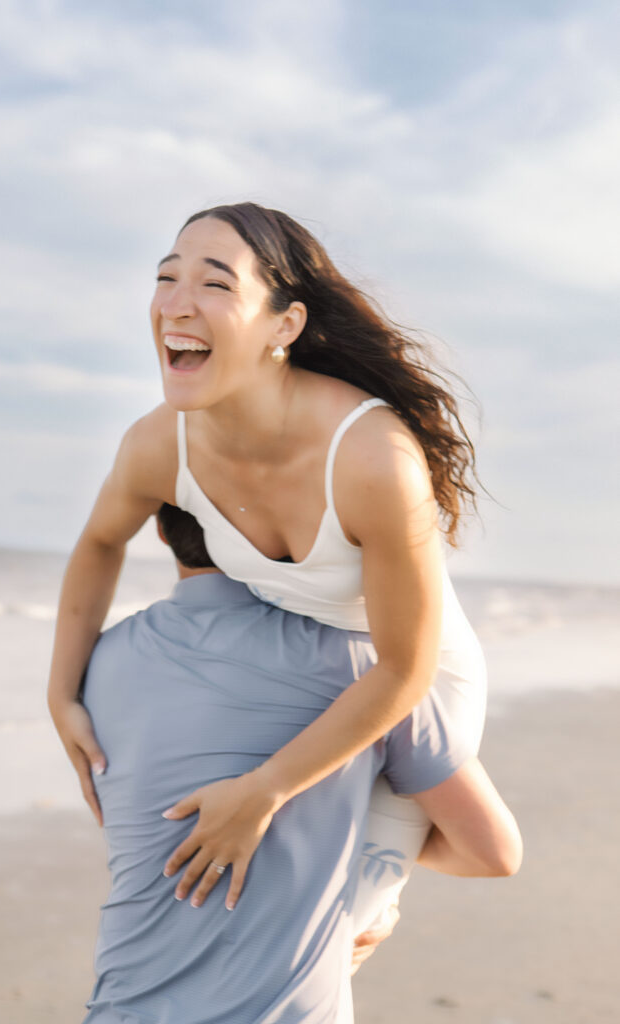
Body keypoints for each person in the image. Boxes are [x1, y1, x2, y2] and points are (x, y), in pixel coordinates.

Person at [49, 200, 519, 927]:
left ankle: (377, 886)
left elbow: (404, 669)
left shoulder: (372, 458)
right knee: (228, 893)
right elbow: (99, 544)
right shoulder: (157, 443)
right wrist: (62, 691)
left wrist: (268, 789)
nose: (176, 303)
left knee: (349, 917)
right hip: (296, 660)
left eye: (214, 284)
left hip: (406, 677)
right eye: (165, 277)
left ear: (283, 326)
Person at [79, 504, 520, 1022]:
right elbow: (491, 853)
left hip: (121, 1004)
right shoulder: (368, 671)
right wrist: (368, 871)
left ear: (159, 529)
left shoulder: (101, 662)